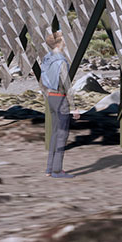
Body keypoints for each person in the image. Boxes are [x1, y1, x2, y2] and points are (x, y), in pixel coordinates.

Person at [40, 30, 82, 178]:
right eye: (64, 40)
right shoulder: (61, 61)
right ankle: (57, 170)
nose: (65, 42)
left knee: (54, 133)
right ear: (59, 42)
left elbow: (42, 82)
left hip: (51, 97)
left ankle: (49, 168)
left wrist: (47, 96)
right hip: (60, 98)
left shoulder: (47, 58)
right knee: (62, 134)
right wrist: (74, 106)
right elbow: (67, 85)